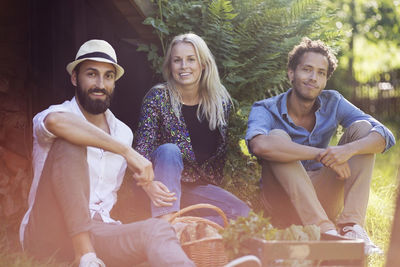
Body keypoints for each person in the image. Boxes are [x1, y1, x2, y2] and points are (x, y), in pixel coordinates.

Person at [19, 39, 194, 267]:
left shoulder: (122, 132)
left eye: (108, 76)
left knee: (158, 230)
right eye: (91, 74)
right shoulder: (57, 114)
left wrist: (148, 183)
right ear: (75, 78)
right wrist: (126, 152)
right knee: (69, 142)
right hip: (48, 231)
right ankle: (85, 256)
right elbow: (55, 123)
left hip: (99, 230)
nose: (100, 84)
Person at [245, 37, 395, 255]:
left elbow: (385, 136)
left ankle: (351, 228)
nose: (313, 78)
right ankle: (326, 232)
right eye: (307, 69)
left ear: (325, 80)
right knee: (277, 137)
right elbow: (259, 146)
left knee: (363, 131)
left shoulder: (333, 101)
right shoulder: (266, 108)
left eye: (321, 73)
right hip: (281, 200)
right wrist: (320, 155)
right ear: (291, 74)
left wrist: (347, 150)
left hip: (321, 196)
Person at [134, 33, 250, 225]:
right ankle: (166, 227)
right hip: (157, 187)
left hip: (195, 189)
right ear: (170, 67)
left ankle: (184, 226)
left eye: (190, 60)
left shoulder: (219, 103)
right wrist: (148, 185)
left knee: (244, 214)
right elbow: (141, 152)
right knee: (169, 150)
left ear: (202, 64)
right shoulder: (158, 98)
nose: (183, 66)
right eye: (177, 60)